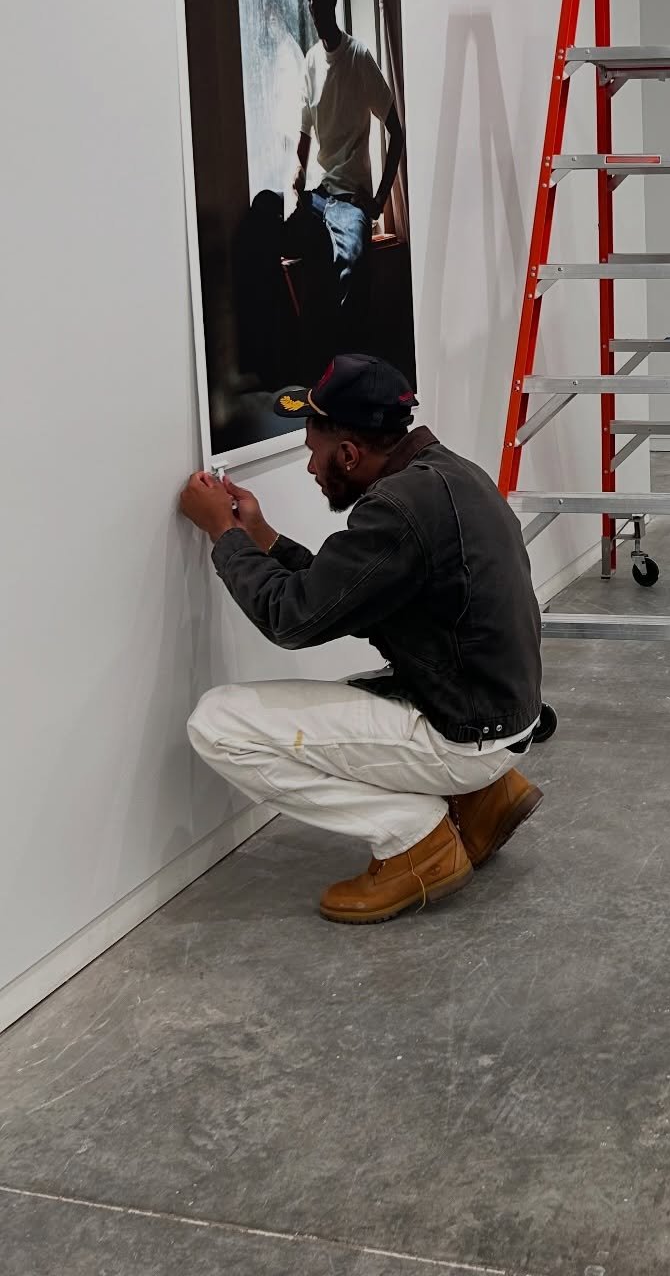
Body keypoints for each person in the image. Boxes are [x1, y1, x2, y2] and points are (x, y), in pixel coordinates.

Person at [177, 355, 545, 925]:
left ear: (348, 453)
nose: (310, 468)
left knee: (218, 723)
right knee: (337, 701)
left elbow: (292, 620)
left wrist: (223, 534)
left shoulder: (398, 509)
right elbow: (346, 590)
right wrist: (262, 537)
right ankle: (480, 799)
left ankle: (414, 840)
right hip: (497, 714)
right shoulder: (446, 475)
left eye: (312, 452)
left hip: (466, 732)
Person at [293, 0, 405, 312]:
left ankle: (349, 362)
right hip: (318, 197)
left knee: (353, 268)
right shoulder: (310, 62)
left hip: (349, 200)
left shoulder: (358, 57)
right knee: (262, 230)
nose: (313, 3)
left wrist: (380, 199)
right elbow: (304, 141)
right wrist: (296, 172)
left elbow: (396, 132)